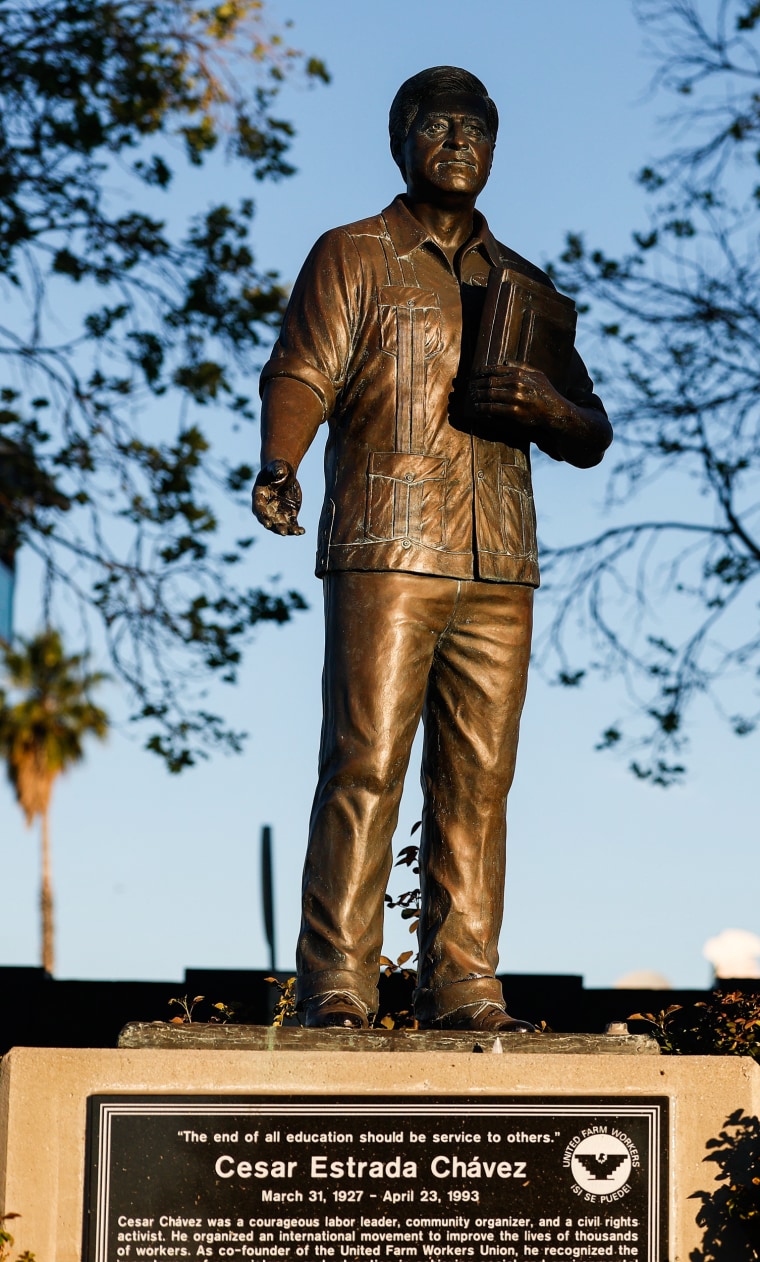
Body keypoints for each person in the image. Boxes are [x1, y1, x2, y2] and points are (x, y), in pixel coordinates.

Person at [252, 66, 612, 1032]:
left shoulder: (526, 286)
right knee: (365, 759)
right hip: (389, 542)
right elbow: (300, 371)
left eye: (475, 129)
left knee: (479, 779)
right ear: (401, 140)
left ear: (496, 148)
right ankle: (338, 981)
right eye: (437, 127)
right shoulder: (355, 254)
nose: (457, 144)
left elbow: (591, 425)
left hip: (500, 561)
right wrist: (281, 462)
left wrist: (547, 406)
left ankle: (464, 981)